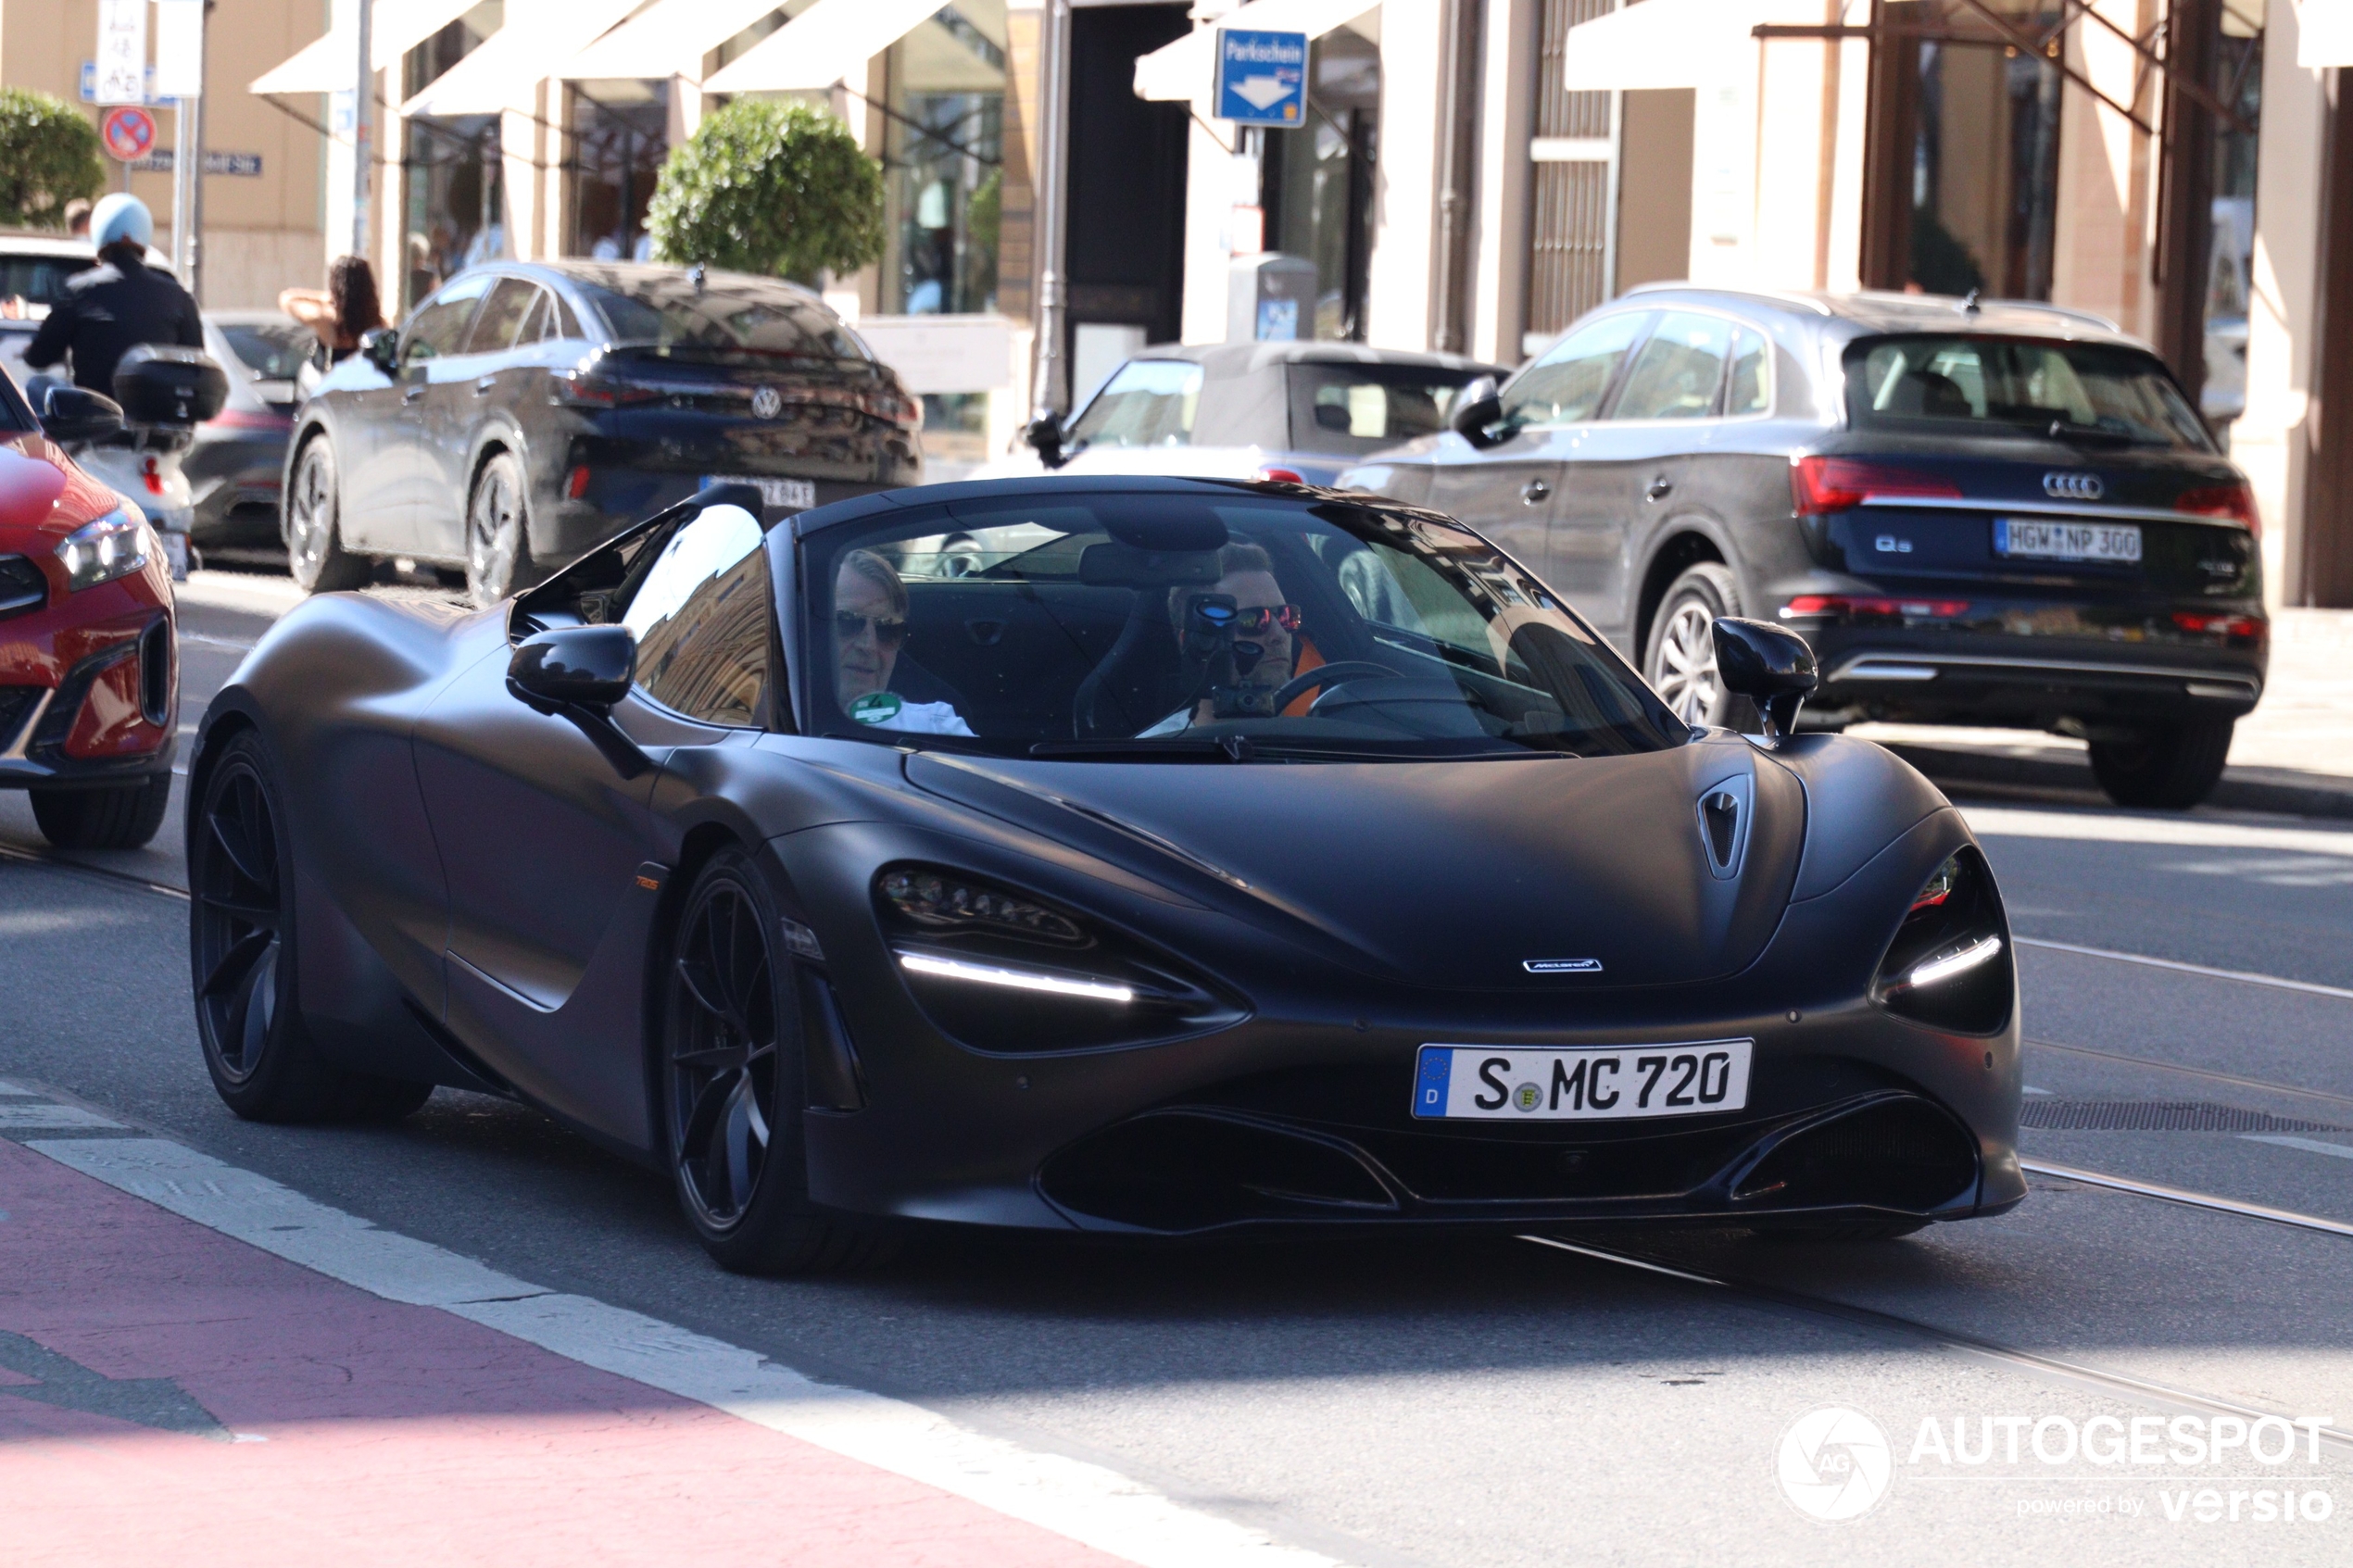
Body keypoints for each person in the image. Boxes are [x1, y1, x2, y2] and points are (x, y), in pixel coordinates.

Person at [23, 194, 202, 395]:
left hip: (96, 417)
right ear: (144, 235)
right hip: (156, 417)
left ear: (99, 233)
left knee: (36, 385)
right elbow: (196, 360)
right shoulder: (178, 296)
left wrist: (29, 351)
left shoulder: (79, 290)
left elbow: (39, 357)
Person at [1139, 543, 1302, 735]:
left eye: (1285, 616)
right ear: (1195, 642)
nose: (1280, 634)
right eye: (1252, 620)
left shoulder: (1322, 742)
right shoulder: (1152, 760)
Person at [834, 549, 974, 736]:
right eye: (847, 621)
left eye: (887, 629)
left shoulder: (935, 726)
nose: (869, 646)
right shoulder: (783, 730)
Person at [279, 255, 386, 364]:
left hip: (334, 379)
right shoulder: (378, 322)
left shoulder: (328, 320)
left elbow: (287, 299)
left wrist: (330, 297)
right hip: (369, 380)